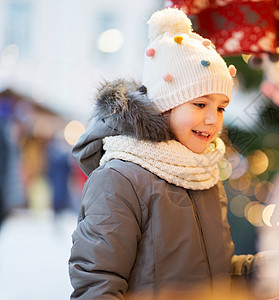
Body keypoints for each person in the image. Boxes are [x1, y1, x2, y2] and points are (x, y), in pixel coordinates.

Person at [68, 7, 255, 300]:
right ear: (165, 104)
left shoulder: (203, 174)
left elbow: (214, 274)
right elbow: (98, 284)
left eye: (221, 108)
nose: (213, 120)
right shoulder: (120, 180)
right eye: (199, 104)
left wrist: (276, 267)